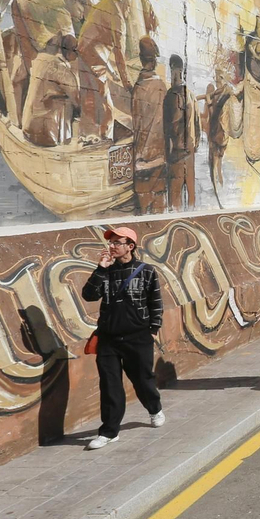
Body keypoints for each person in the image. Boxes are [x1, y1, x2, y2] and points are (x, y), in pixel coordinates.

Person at [82, 226, 164, 450]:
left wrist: (153, 329)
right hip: (108, 338)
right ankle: (109, 432)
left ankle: (154, 408)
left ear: (130, 246)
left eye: (117, 243)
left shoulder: (146, 271)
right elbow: (89, 295)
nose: (112, 246)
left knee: (143, 379)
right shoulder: (105, 271)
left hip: (138, 337)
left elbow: (155, 302)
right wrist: (100, 269)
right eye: (111, 242)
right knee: (110, 385)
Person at [130, 37, 169, 214]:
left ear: (141, 59)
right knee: (158, 211)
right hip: (158, 158)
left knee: (142, 213)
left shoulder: (137, 89)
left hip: (140, 160)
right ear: (154, 61)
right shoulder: (161, 87)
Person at [163, 53, 199, 211]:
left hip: (176, 156)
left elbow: (166, 131)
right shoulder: (191, 95)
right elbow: (198, 128)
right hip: (190, 156)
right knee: (191, 201)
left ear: (175, 70)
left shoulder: (170, 97)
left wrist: (167, 156)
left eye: (171, 71)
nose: (171, 75)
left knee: (174, 203)